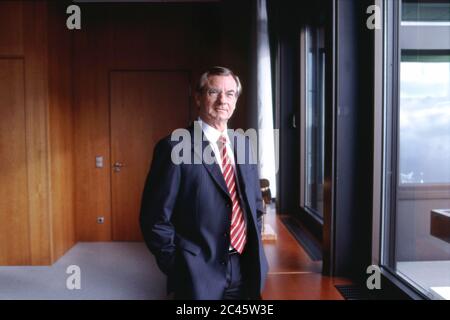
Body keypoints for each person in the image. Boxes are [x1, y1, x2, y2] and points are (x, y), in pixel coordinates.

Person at [140, 66, 268, 300]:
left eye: (230, 94)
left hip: (244, 266)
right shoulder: (174, 147)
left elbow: (255, 206)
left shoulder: (244, 144)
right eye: (213, 92)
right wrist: (178, 267)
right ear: (198, 97)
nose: (223, 100)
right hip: (197, 272)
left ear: (236, 100)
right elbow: (154, 219)